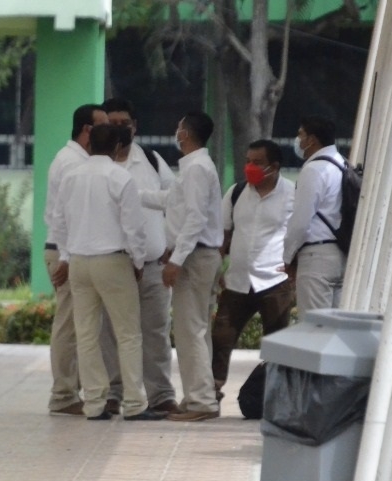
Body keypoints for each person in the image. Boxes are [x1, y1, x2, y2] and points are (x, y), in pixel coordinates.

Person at [53, 124, 158, 422]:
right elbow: (134, 228)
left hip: (79, 262)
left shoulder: (71, 176)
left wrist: (65, 255)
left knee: (86, 334)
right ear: (116, 147)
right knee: (128, 334)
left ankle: (95, 403)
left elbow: (59, 221)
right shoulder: (120, 177)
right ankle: (136, 403)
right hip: (112, 260)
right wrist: (138, 262)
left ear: (89, 144)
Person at [44, 103, 121, 416]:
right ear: (88, 130)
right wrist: (65, 257)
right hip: (67, 251)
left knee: (81, 327)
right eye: (102, 124)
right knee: (68, 326)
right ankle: (63, 394)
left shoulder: (81, 161)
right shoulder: (69, 163)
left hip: (75, 251)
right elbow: (59, 217)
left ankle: (76, 391)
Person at [104, 98, 179, 415]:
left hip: (151, 265)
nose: (120, 129)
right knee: (109, 332)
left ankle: (160, 394)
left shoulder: (151, 160)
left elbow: (176, 201)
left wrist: (172, 245)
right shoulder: (95, 166)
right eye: (113, 123)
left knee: (156, 331)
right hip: (113, 264)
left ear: (135, 127)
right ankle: (113, 392)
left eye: (126, 123)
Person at [150, 111, 224, 422]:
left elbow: (194, 218)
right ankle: (200, 395)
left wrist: (176, 260)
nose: (175, 130)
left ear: (186, 134)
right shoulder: (196, 167)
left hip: (194, 257)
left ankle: (201, 402)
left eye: (179, 126)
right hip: (199, 255)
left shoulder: (196, 169)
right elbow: (173, 201)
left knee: (189, 330)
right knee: (197, 331)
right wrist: (133, 194)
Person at [214, 139, 295, 398]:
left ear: (274, 166)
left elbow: (301, 234)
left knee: (277, 343)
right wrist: (219, 269)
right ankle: (212, 391)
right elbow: (223, 235)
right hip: (237, 280)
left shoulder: (293, 195)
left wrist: (294, 272)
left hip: (275, 280)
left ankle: (276, 396)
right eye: (248, 161)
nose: (250, 167)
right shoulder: (236, 192)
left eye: (257, 163)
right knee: (221, 338)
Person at [283, 115, 347, 314]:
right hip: (341, 255)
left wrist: (287, 257)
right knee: (336, 330)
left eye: (300, 134)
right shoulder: (343, 164)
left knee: (315, 329)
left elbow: (301, 222)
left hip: (315, 258)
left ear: (312, 140)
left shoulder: (314, 169)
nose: (298, 139)